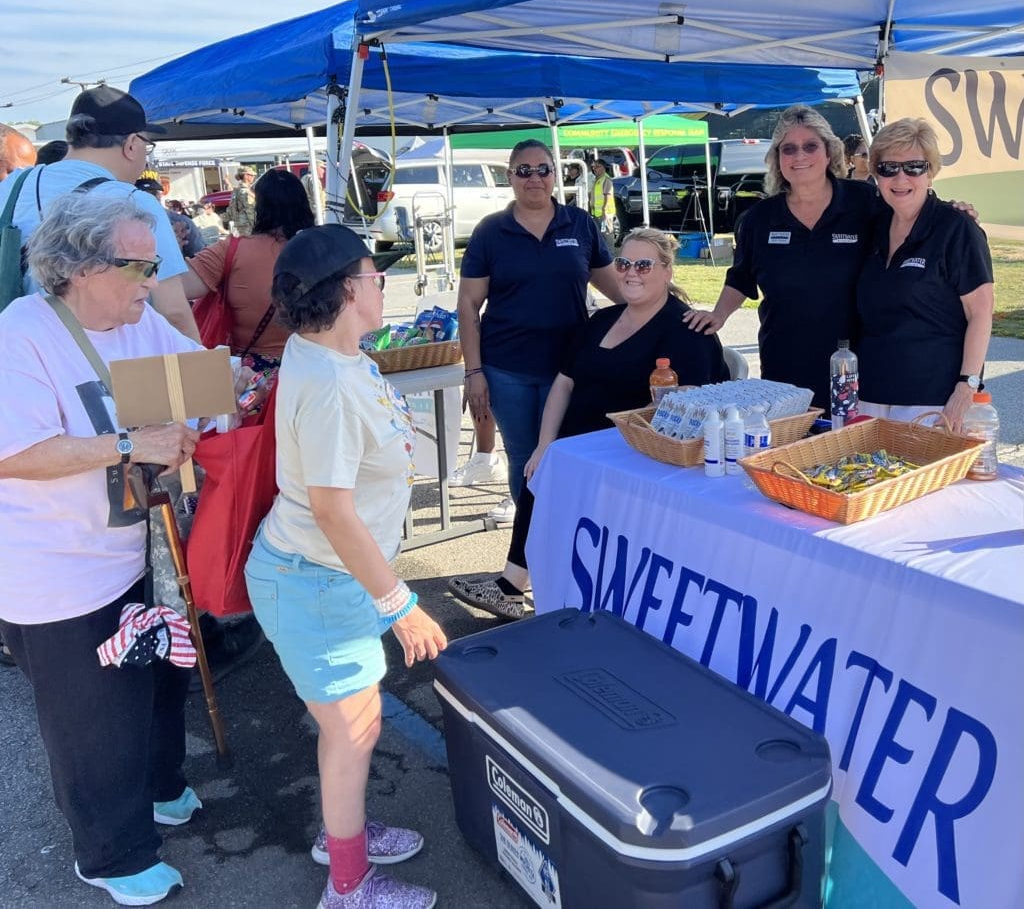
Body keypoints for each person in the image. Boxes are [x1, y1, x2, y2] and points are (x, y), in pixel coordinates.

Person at [0, 192, 204, 906]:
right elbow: (12, 452)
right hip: (53, 571)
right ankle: (111, 854)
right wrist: (131, 442)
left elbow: (204, 379)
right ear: (82, 267)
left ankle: (158, 788)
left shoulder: (137, 322)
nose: (153, 281)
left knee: (157, 682)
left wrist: (244, 384)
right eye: (139, 265)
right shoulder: (23, 332)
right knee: (92, 719)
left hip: (138, 551)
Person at [245, 225, 445, 909]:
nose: (384, 281)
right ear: (348, 288)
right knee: (353, 729)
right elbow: (332, 510)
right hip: (317, 581)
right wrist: (399, 604)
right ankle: (349, 885)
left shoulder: (334, 352)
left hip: (323, 577)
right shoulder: (328, 379)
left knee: (351, 729)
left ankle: (344, 833)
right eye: (376, 272)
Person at [451, 228, 729, 619]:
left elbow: (691, 408)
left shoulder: (686, 330)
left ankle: (524, 586)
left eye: (644, 264)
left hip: (633, 453)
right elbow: (564, 384)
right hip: (579, 445)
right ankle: (514, 585)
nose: (632, 273)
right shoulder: (604, 319)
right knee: (543, 466)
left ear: (667, 271)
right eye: (624, 263)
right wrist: (545, 444)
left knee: (559, 469)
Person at [458, 138, 621, 524]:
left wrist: (667, 304)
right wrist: (473, 372)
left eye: (543, 170)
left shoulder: (579, 223)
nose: (534, 179)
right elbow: (468, 305)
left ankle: (562, 534)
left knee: (563, 452)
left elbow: (617, 288)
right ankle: (529, 543)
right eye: (524, 171)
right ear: (510, 177)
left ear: (556, 174)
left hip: (566, 369)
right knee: (522, 454)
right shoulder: (490, 231)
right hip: (505, 370)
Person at [684, 105, 877, 410]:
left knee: (850, 450)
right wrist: (718, 314)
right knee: (788, 450)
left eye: (810, 146)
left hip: (855, 362)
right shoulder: (760, 219)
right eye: (788, 149)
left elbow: (912, 217)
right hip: (784, 362)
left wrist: (955, 213)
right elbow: (741, 275)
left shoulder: (865, 203)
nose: (799, 156)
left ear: (829, 153)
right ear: (777, 159)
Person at [0, 86, 199, 341]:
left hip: (17, 347)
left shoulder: (12, 186)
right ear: (131, 144)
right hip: (102, 362)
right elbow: (173, 312)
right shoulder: (135, 203)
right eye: (147, 147)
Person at [856, 118, 993, 431]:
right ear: (876, 174)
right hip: (871, 398)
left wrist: (966, 386)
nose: (900, 177)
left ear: (931, 172)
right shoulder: (874, 226)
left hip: (932, 401)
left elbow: (981, 312)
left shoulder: (956, 228)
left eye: (914, 167)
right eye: (888, 167)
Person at [183, 167, 313, 378]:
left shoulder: (232, 250)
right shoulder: (322, 249)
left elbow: (179, 288)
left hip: (251, 379)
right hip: (313, 372)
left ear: (260, 207)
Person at [133, 176, 207, 259]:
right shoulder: (127, 224)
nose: (148, 199)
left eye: (152, 193)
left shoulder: (182, 222)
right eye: (144, 194)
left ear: (159, 196)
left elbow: (199, 256)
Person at [225, 165, 256, 235]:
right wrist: (254, 226)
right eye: (251, 175)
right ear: (245, 176)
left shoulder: (237, 190)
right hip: (247, 225)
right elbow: (249, 210)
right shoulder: (245, 192)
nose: (253, 177)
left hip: (239, 224)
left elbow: (231, 209)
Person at [590, 157, 616, 237]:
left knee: (607, 236)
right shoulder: (597, 179)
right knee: (601, 236)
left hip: (605, 213)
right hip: (597, 213)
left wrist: (604, 210)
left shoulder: (606, 179)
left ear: (603, 167)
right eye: (593, 167)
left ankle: (609, 250)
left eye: (597, 167)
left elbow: (607, 195)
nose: (594, 169)